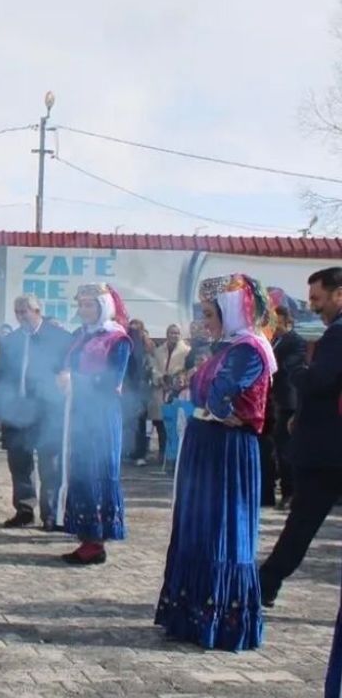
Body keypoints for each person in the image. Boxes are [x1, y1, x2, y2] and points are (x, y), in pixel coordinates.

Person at [154, 274, 277, 651]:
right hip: (208, 443)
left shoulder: (249, 350)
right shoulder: (229, 348)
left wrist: (213, 405)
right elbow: (203, 394)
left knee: (221, 528)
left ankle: (221, 619)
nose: (204, 322)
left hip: (226, 450)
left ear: (232, 312)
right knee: (199, 527)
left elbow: (218, 396)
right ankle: (192, 615)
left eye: (210, 314)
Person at [260, 266, 342, 608]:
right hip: (328, 445)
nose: (313, 306)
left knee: (301, 525)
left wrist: (296, 371)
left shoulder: (337, 334)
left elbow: (319, 381)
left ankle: (265, 584)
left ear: (339, 294)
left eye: (317, 299)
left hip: (327, 451)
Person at [56, 283, 131, 565]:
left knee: (96, 472)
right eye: (81, 304)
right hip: (81, 411)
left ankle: (96, 541)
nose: (83, 310)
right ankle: (87, 536)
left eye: (89, 305)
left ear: (103, 306)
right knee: (82, 472)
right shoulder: (82, 335)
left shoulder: (118, 339)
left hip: (101, 414)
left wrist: (76, 380)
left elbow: (112, 380)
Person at [0, 295, 72, 529]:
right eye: (17, 312)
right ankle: (24, 509)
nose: (20, 317)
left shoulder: (60, 338)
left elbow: (70, 370)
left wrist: (66, 377)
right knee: (19, 463)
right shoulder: (10, 341)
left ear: (37, 311)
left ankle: (51, 513)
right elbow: (1, 377)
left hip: (48, 410)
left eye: (24, 312)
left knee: (50, 464)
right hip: (16, 410)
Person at [270, 306, 307, 511]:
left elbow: (287, 367)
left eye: (275, 320)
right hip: (273, 400)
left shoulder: (296, 341)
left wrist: (268, 361)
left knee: (286, 449)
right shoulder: (275, 340)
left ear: (285, 319)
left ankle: (290, 493)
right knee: (275, 448)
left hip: (287, 402)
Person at [148, 324, 190, 466]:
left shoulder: (186, 350)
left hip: (176, 390)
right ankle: (162, 452)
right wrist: (160, 378)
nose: (174, 335)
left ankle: (174, 455)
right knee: (160, 423)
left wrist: (175, 381)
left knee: (174, 423)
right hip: (160, 389)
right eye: (171, 333)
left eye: (177, 333)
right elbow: (154, 367)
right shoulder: (159, 350)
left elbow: (186, 369)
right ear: (167, 334)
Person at [124, 320, 154, 467]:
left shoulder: (147, 346)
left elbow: (151, 366)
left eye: (137, 329)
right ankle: (130, 451)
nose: (134, 332)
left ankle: (141, 453)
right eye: (132, 329)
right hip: (128, 389)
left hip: (142, 389)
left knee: (141, 422)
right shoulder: (127, 344)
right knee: (129, 422)